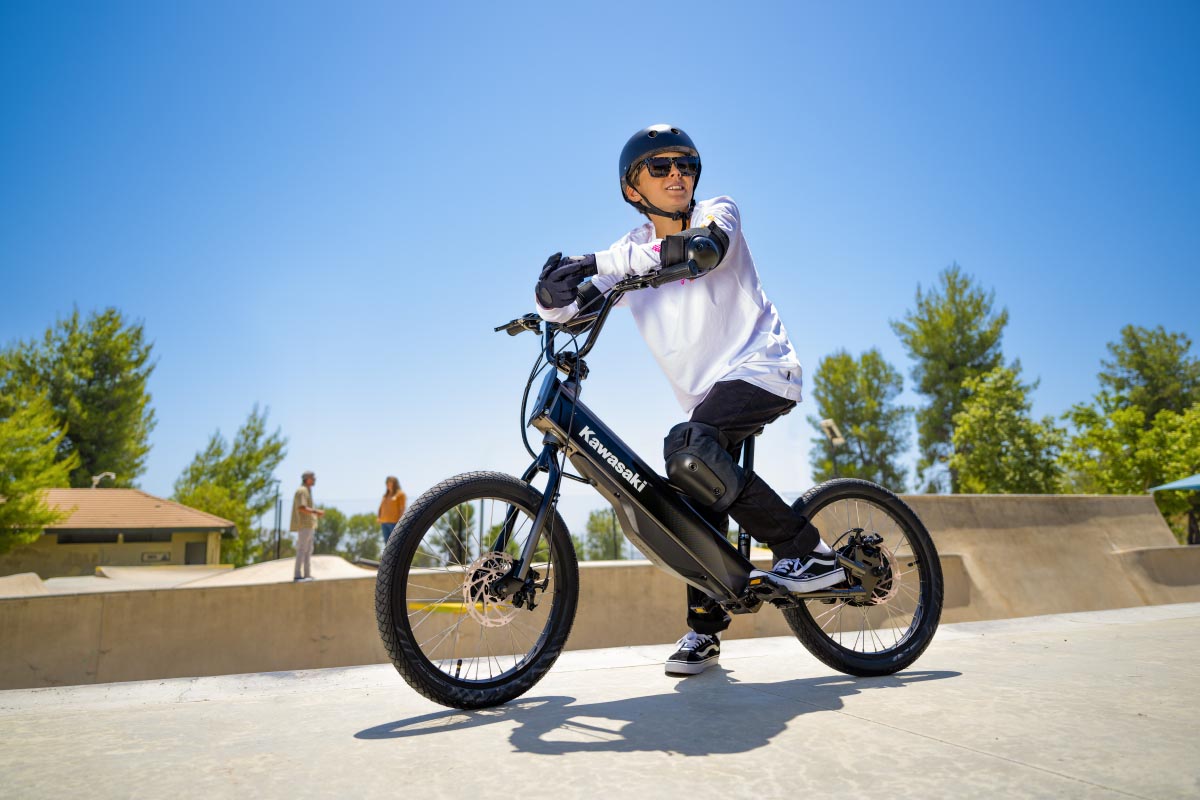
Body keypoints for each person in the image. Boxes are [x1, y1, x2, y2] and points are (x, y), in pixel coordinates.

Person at [534, 124, 843, 676]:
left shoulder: (717, 212)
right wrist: (550, 298)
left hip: (763, 368)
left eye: (686, 164)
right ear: (633, 189)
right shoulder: (626, 253)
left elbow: (706, 250)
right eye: (660, 167)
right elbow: (578, 305)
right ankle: (705, 632)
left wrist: (603, 267)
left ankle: (810, 554)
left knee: (690, 448)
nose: (677, 173)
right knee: (691, 491)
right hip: (708, 397)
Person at [290, 470, 324, 582]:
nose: (314, 479)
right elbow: (301, 507)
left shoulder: (307, 490)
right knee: (302, 549)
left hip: (309, 525)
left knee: (308, 550)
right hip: (304, 525)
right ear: (307, 478)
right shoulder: (302, 491)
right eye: (312, 477)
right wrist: (316, 512)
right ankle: (297, 575)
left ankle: (307, 575)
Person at [378, 476, 407, 546]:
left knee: (395, 544)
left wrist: (399, 521)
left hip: (394, 523)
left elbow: (402, 508)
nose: (388, 484)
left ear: (395, 483)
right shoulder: (385, 495)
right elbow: (381, 507)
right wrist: (379, 517)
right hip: (384, 522)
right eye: (387, 482)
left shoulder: (400, 494)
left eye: (390, 482)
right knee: (387, 543)